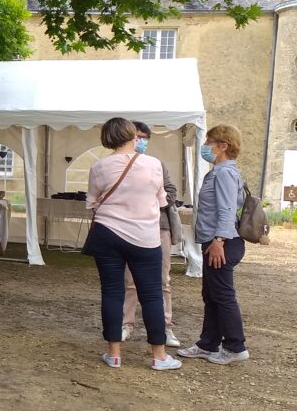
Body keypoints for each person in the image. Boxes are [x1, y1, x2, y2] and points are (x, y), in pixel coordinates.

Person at [86, 117, 180, 371]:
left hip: (108, 233)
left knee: (112, 292)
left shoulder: (99, 166)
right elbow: (162, 200)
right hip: (144, 236)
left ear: (107, 139)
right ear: (132, 136)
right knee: (151, 295)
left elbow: (91, 202)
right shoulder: (154, 165)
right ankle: (159, 356)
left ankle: (114, 353)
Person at [178, 124, 250, 365]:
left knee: (222, 295)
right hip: (217, 241)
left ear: (223, 146)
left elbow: (228, 209)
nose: (205, 147)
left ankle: (235, 347)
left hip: (223, 242)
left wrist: (219, 240)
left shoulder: (224, 173)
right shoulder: (220, 171)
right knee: (212, 294)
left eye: (209, 142)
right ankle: (208, 344)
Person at [121, 122, 183, 347]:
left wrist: (149, 201)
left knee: (163, 279)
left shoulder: (156, 164)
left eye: (145, 137)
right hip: (130, 227)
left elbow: (172, 192)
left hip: (159, 227)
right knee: (130, 280)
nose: (141, 141)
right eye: (137, 136)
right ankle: (126, 324)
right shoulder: (118, 164)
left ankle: (166, 327)